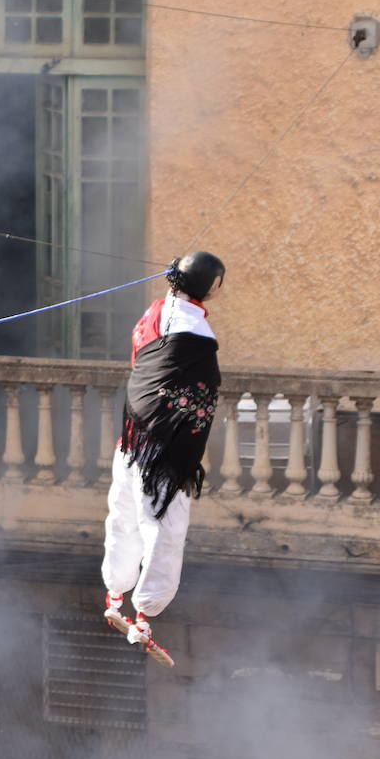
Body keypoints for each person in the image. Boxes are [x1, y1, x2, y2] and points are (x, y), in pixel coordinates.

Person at [102, 251, 225, 649]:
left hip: (131, 439)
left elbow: (149, 369)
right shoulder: (199, 338)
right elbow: (199, 392)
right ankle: (144, 616)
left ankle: (114, 593)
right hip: (161, 452)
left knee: (123, 516)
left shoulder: (153, 313)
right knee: (163, 528)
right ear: (211, 287)